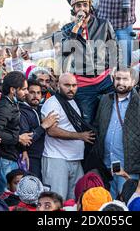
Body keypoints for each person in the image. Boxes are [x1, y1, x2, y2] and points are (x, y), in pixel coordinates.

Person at [94, 67, 140, 198]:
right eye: (118, 78)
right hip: (105, 166)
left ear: (133, 81)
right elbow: (97, 128)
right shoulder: (105, 100)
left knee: (127, 204)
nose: (120, 82)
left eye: (125, 79)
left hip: (129, 168)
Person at [59, 0, 117, 125]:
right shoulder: (67, 29)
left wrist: (115, 69)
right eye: (78, 6)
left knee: (112, 118)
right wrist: (75, 29)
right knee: (86, 122)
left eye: (85, 5)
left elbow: (114, 48)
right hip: (83, 84)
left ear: (90, 7)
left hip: (105, 80)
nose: (82, 8)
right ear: (73, 9)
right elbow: (66, 52)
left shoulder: (103, 24)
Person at [41, 73, 93, 201]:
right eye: (67, 85)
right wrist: (80, 136)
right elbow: (51, 131)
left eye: (74, 85)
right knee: (56, 202)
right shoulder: (52, 103)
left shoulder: (73, 102)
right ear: (58, 85)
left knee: (75, 201)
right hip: (56, 159)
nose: (71, 88)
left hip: (75, 159)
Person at [0, 71, 29, 197]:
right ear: (13, 90)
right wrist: (17, 138)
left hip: (10, 157)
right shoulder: (4, 106)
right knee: (3, 198)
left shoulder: (12, 103)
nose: (26, 92)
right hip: (3, 159)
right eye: (24, 89)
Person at [19, 79, 59, 179]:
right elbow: (26, 140)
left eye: (38, 93)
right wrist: (44, 126)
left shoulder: (41, 109)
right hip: (31, 158)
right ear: (26, 93)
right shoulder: (21, 112)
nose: (36, 96)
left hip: (45, 156)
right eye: (32, 92)